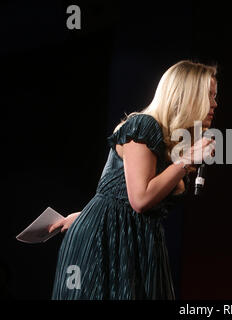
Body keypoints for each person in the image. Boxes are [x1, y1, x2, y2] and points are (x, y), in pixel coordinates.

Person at [49, 60, 218, 299]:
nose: (215, 103)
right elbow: (139, 199)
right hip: (108, 246)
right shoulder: (143, 126)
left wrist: (84, 215)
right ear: (188, 95)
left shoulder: (174, 147)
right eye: (209, 95)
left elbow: (116, 187)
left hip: (138, 244)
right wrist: (187, 160)